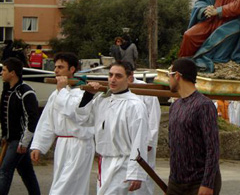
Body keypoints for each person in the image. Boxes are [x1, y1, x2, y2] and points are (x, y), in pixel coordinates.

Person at [75, 61, 148, 194]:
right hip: (105, 162)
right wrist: (89, 95)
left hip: (123, 165)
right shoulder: (103, 100)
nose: (113, 80)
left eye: (118, 76)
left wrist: (136, 173)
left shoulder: (135, 106)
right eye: (110, 75)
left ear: (129, 78)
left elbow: (139, 139)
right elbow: (84, 119)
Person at [30, 52, 95, 195]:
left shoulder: (83, 92)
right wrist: (38, 146)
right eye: (55, 67)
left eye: (61, 67)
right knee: (62, 182)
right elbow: (47, 120)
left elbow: (76, 114)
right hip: (62, 145)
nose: (56, 70)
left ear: (72, 70)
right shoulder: (56, 94)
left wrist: (61, 90)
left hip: (79, 144)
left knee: (65, 186)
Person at [166, 58, 221, 195]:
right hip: (177, 182)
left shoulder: (204, 105)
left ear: (177, 76)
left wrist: (207, 183)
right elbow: (174, 148)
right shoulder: (175, 106)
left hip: (199, 182)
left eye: (169, 75)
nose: (168, 79)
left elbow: (212, 147)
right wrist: (171, 184)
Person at [0, 58, 40, 194]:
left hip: (20, 140)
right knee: (26, 171)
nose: (1, 73)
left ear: (12, 73)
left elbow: (32, 118)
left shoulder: (26, 92)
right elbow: (5, 116)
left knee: (5, 170)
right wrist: (4, 135)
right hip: (11, 138)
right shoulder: (7, 90)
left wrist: (24, 142)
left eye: (4, 70)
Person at [131, 72, 161, 195]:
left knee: (144, 178)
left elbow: (154, 115)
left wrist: (150, 141)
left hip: (144, 142)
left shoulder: (144, 89)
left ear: (130, 75)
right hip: (126, 143)